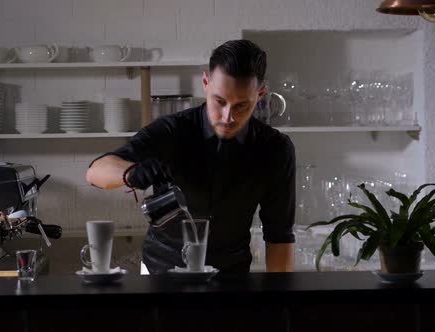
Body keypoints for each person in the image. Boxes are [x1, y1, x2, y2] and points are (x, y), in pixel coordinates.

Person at [86, 39, 295, 275]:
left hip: (231, 275)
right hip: (161, 271)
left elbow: (279, 237)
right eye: (220, 101)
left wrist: (282, 302)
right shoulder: (172, 130)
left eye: (241, 106)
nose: (228, 117)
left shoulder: (275, 149)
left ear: (261, 94)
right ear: (205, 83)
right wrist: (131, 173)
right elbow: (95, 172)